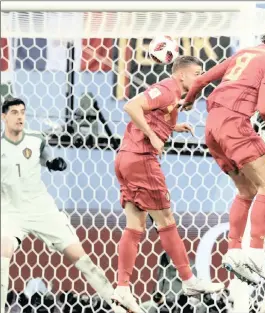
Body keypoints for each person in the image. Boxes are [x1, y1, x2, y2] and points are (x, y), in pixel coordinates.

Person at [181, 20, 265, 284]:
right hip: (235, 125)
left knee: (247, 190)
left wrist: (189, 102)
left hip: (212, 127)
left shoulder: (245, 53)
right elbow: (264, 108)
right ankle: (256, 253)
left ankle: (234, 251)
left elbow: (201, 80)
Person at [114, 56, 224, 305]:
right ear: (182, 75)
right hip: (142, 159)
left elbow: (154, 114)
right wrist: (153, 136)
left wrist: (174, 128)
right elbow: (131, 106)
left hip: (125, 159)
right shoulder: (166, 89)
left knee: (135, 226)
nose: (201, 77)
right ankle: (188, 280)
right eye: (197, 72)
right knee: (166, 221)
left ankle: (122, 287)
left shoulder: (173, 96)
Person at [0, 98, 129, 313]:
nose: (20, 116)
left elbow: (46, 157)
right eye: (14, 112)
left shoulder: (36, 139)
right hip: (11, 211)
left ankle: (118, 305)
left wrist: (53, 163)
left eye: (23, 112)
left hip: (41, 209)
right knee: (3, 253)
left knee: (80, 257)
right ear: (4, 116)